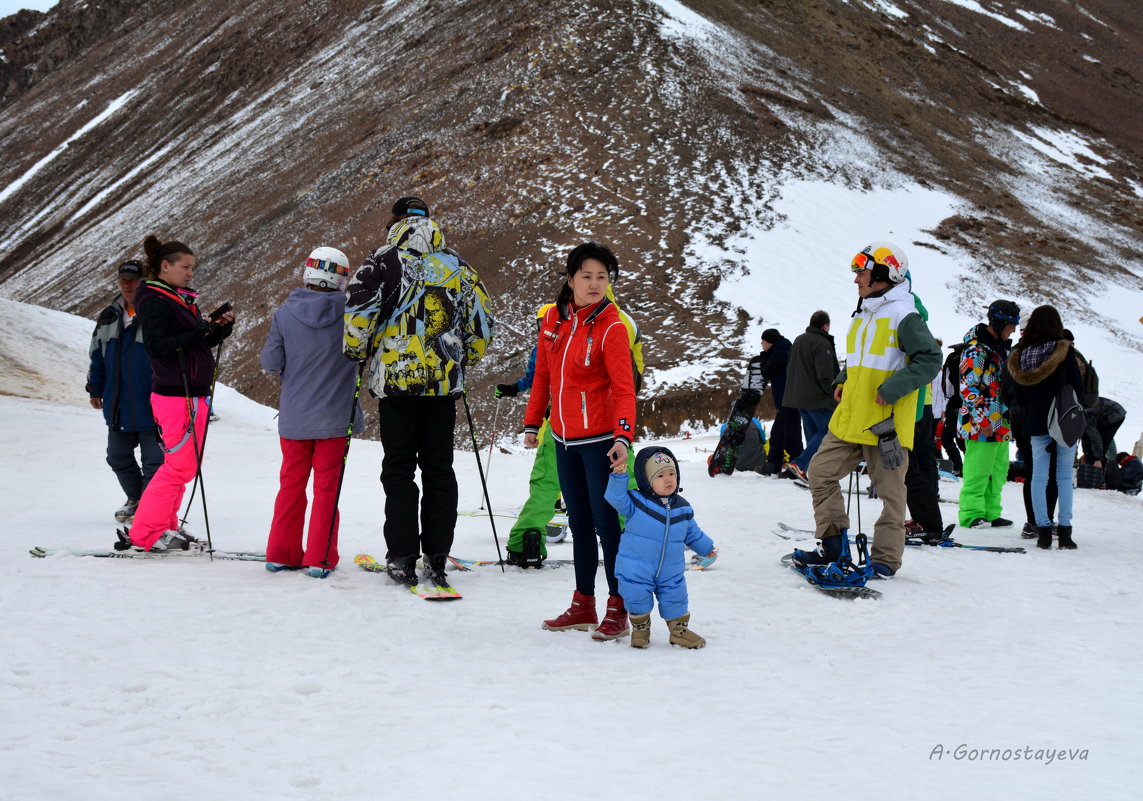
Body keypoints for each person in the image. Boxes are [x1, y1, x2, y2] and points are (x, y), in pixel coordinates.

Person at [344, 197, 494, 589]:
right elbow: (482, 323)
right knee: (439, 470)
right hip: (442, 385)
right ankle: (438, 554)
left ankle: (402, 554)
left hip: (396, 385)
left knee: (399, 469)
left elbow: (358, 314)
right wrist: (463, 359)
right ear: (430, 222)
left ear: (394, 223)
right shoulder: (457, 266)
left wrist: (358, 352)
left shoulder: (380, 262)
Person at [793, 241, 941, 578]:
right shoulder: (864, 310)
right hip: (850, 419)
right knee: (819, 473)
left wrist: (893, 389)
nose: (856, 277)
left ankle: (885, 561)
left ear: (884, 273)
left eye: (862, 269)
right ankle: (832, 545)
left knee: (891, 495)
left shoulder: (905, 314)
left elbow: (931, 359)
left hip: (885, 424)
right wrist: (844, 376)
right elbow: (863, 358)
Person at [524, 242, 637, 640]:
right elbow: (543, 377)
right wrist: (531, 420)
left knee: (607, 525)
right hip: (563, 439)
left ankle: (618, 607)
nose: (594, 284)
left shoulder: (613, 326)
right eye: (586, 276)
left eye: (602, 277)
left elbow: (625, 390)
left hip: (602, 440)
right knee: (580, 522)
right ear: (570, 279)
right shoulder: (554, 320)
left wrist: (623, 437)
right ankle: (583, 604)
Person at [497, 293, 643, 567]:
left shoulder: (561, 321)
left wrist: (534, 420)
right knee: (624, 482)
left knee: (546, 483)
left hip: (563, 422)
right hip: (611, 422)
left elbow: (542, 374)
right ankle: (633, 542)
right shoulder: (623, 322)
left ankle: (525, 541)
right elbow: (636, 372)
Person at [261, 247, 364, 579]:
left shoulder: (284, 314)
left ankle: (280, 554)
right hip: (335, 419)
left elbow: (270, 363)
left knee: (290, 486)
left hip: (294, 418)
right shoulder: (351, 314)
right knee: (326, 489)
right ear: (341, 277)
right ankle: (319, 559)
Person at [127, 236, 234, 551]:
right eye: (185, 267)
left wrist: (217, 329)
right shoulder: (155, 299)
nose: (190, 273)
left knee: (183, 466)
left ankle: (164, 527)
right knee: (176, 467)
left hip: (191, 392)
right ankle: (146, 533)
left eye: (192, 267)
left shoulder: (178, 298)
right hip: (176, 394)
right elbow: (159, 346)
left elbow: (190, 343)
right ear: (165, 266)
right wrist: (203, 329)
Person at [606, 447, 715, 649]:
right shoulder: (634, 502)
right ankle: (641, 629)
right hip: (636, 567)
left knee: (676, 596)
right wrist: (619, 478)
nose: (668, 480)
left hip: (670, 569)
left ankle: (678, 631)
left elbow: (692, 533)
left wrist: (706, 547)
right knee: (636, 596)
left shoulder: (682, 507)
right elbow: (615, 499)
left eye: (672, 473)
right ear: (646, 480)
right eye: (661, 475)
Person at [86, 259, 163, 524]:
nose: (127, 284)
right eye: (123, 280)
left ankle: (149, 508)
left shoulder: (155, 313)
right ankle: (137, 499)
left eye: (134, 280)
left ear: (145, 282)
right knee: (117, 457)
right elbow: (97, 355)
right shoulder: (109, 315)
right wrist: (95, 388)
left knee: (155, 463)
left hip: (153, 405)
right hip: (118, 404)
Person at [1007, 305, 1084, 549]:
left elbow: (1017, 395)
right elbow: (1078, 389)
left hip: (1035, 422)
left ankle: (1041, 531)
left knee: (1038, 477)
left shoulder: (1021, 354)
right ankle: (1064, 533)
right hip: (1063, 422)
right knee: (1063, 477)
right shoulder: (1064, 352)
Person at [956, 299, 1020, 529]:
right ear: (999, 322)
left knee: (998, 471)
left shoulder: (999, 350)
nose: (1014, 329)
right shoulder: (977, 350)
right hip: (979, 423)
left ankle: (991, 512)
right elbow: (967, 387)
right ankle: (972, 514)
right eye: (1012, 324)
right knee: (977, 472)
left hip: (1000, 422)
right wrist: (982, 419)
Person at [782, 310, 837, 482]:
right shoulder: (822, 343)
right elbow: (825, 374)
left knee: (813, 436)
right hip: (818, 399)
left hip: (799, 397)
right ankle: (800, 464)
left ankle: (808, 472)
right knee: (828, 432)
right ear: (825, 325)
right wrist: (833, 393)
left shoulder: (799, 340)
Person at [744, 329, 802, 475]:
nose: (761, 344)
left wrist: (764, 358)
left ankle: (797, 467)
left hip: (788, 401)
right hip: (787, 400)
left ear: (770, 342)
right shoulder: (784, 349)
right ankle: (773, 466)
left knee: (791, 436)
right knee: (778, 434)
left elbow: (766, 372)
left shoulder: (780, 354)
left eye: (763, 342)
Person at [1080, 396, 1126, 469]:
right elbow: (1084, 436)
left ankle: (1099, 470)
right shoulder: (1079, 416)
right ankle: (1091, 465)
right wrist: (1085, 452)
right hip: (1099, 412)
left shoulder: (1087, 417)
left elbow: (1095, 438)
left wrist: (1097, 459)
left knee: (1102, 445)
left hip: (1115, 414)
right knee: (1089, 447)